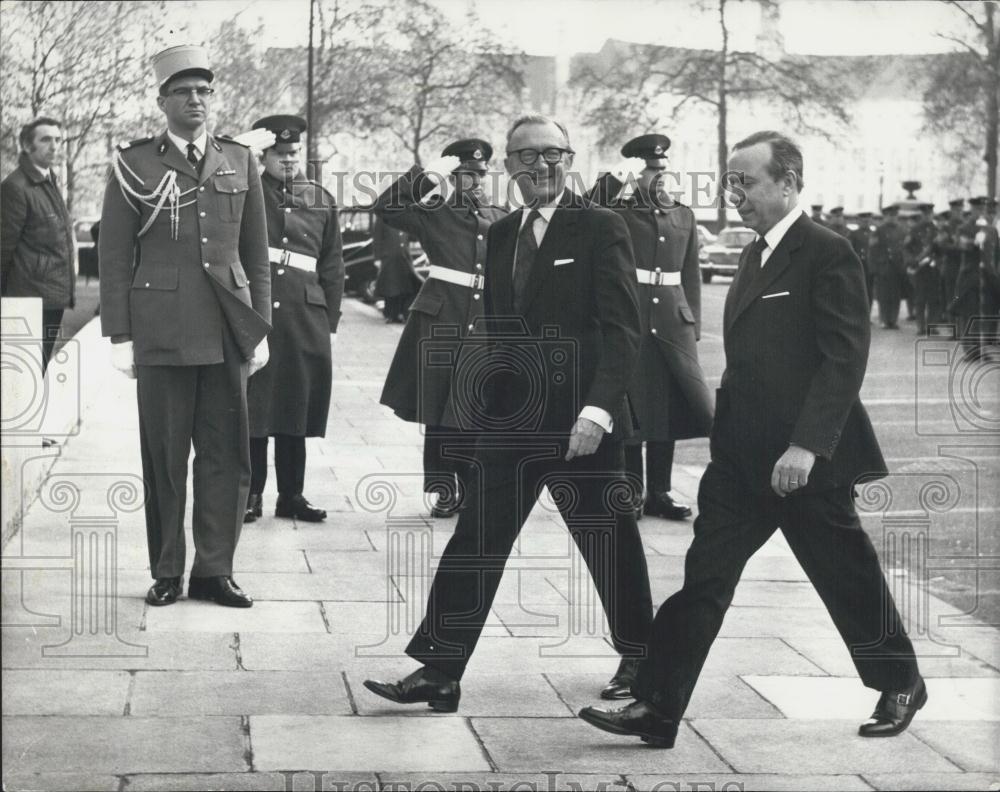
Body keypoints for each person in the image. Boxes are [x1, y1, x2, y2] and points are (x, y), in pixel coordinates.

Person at [580, 131, 924, 749]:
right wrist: (724, 443)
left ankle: (900, 682)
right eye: (729, 181)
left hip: (804, 460)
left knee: (844, 574)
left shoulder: (828, 251)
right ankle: (657, 707)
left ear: (788, 183)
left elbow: (844, 359)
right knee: (703, 581)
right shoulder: (752, 256)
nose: (732, 192)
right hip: (741, 461)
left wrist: (807, 446)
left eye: (746, 181)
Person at [363, 115, 654, 709]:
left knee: (608, 543)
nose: (541, 166)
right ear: (510, 166)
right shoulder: (502, 235)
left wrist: (597, 412)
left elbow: (624, 330)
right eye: (526, 156)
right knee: (475, 538)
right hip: (513, 421)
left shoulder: (600, 226)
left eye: (553, 154)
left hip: (584, 424)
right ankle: (439, 670)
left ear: (568, 160)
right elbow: (497, 333)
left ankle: (644, 660)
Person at [98, 45, 271, 608]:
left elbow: (256, 252)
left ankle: (214, 571)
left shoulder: (240, 160)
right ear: (162, 101)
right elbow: (115, 253)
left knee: (227, 456)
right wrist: (120, 334)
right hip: (163, 329)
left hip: (227, 329)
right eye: (183, 92)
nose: (195, 100)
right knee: (166, 456)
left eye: (203, 91)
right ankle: (169, 569)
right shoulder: (134, 163)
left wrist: (261, 326)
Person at [586, 133, 712, 527]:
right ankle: (632, 489)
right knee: (634, 405)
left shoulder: (682, 213)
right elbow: (582, 212)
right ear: (635, 173)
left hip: (672, 322)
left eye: (661, 168)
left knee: (670, 408)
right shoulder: (616, 210)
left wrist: (692, 322)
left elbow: (689, 273)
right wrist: (612, 179)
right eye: (649, 170)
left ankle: (661, 489)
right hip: (631, 315)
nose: (658, 175)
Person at [376, 138, 507, 518]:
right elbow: (386, 206)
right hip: (442, 316)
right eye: (467, 174)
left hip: (484, 319)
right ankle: (442, 487)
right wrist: (426, 177)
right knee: (438, 408)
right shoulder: (434, 210)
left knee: (473, 407)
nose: (476, 180)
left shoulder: (499, 214)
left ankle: (470, 486)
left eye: (481, 174)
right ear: (454, 175)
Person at [243, 115, 345, 524]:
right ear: (263, 156)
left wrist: (330, 323)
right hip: (259, 310)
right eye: (279, 154)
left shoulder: (318, 197)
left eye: (293, 153)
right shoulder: (247, 191)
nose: (288, 161)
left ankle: (292, 495)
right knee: (253, 408)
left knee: (295, 407)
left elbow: (333, 265)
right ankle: (250, 494)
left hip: (305, 316)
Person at [1, 117, 75, 371]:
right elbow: (3, 249)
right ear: (27, 145)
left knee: (36, 372)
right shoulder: (16, 187)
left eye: (58, 140)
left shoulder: (49, 181)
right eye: (46, 140)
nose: (54, 146)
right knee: (22, 379)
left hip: (50, 297)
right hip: (27, 299)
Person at [373, 211, 420, 323]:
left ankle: (400, 313)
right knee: (390, 288)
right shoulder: (383, 216)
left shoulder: (406, 216)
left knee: (404, 288)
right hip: (389, 258)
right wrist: (377, 258)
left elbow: (413, 236)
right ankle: (389, 314)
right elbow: (377, 237)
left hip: (404, 258)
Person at [906, 203, 942, 336]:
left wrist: (938, 259)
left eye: (930, 214)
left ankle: (932, 326)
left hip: (934, 268)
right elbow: (906, 247)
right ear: (921, 215)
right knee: (920, 298)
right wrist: (913, 260)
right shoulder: (915, 230)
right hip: (920, 269)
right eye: (925, 214)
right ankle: (921, 327)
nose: (928, 216)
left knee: (934, 299)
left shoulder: (937, 229)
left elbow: (941, 250)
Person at [870, 203, 906, 329]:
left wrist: (903, 265)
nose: (892, 218)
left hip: (897, 267)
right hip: (883, 267)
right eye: (889, 215)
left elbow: (904, 249)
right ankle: (884, 320)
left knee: (895, 295)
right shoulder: (879, 230)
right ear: (885, 216)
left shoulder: (901, 230)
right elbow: (873, 250)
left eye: (894, 215)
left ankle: (893, 320)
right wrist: (874, 268)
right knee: (883, 295)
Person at [848, 210, 875, 310]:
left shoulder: (874, 234)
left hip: (871, 266)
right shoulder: (853, 234)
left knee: (869, 291)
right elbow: (850, 250)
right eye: (863, 219)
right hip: (858, 265)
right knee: (857, 289)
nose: (866, 221)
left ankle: (868, 313)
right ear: (858, 221)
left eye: (868, 219)